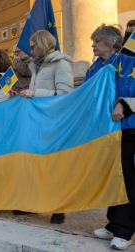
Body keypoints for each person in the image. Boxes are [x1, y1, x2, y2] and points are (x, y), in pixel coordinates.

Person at [86, 24, 135, 251]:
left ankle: (125, 231)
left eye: (97, 40)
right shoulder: (93, 68)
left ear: (112, 42)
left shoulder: (129, 62)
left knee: (127, 179)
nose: (93, 44)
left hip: (128, 129)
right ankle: (114, 224)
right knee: (112, 177)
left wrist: (124, 103)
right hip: (105, 133)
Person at [20, 30, 74, 224]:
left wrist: (35, 93)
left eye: (33, 46)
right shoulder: (36, 65)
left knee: (54, 165)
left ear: (42, 44)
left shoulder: (61, 63)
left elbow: (65, 94)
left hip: (53, 121)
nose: (31, 49)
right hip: (38, 121)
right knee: (35, 163)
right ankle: (34, 204)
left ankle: (59, 207)